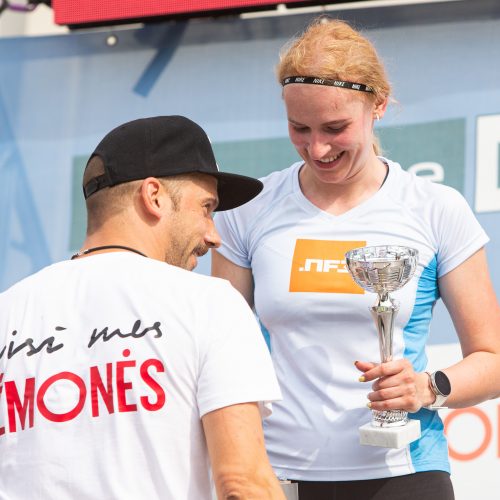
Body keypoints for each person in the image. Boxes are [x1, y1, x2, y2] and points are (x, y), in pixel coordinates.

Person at [212, 17, 500, 500]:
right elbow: (219, 354)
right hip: (276, 473)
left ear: (379, 105)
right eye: (298, 128)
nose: (317, 148)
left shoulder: (434, 208)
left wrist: (429, 387)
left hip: (405, 470)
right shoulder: (250, 209)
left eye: (335, 128)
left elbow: (492, 359)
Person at [0, 115, 286, 500]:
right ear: (154, 197)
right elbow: (244, 484)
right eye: (206, 207)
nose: (213, 236)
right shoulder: (210, 305)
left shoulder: (8, 312)